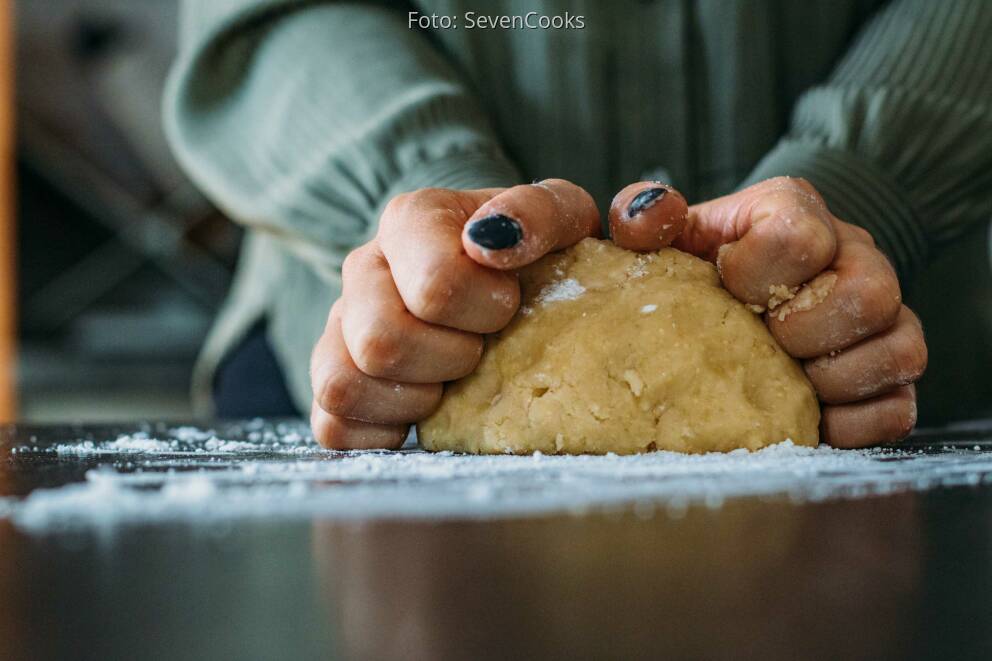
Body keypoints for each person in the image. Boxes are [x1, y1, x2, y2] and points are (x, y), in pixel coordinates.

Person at [164, 0, 992, 448]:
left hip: (879, 359)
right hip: (385, 365)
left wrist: (861, 186)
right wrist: (436, 210)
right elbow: (266, 18)